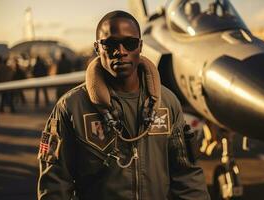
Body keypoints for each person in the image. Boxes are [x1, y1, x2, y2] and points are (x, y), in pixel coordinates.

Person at [37, 10, 210, 200]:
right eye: (109, 44)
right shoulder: (71, 107)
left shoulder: (167, 103)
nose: (120, 51)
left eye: (130, 43)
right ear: (97, 48)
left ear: (140, 46)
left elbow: (186, 175)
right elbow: (54, 185)